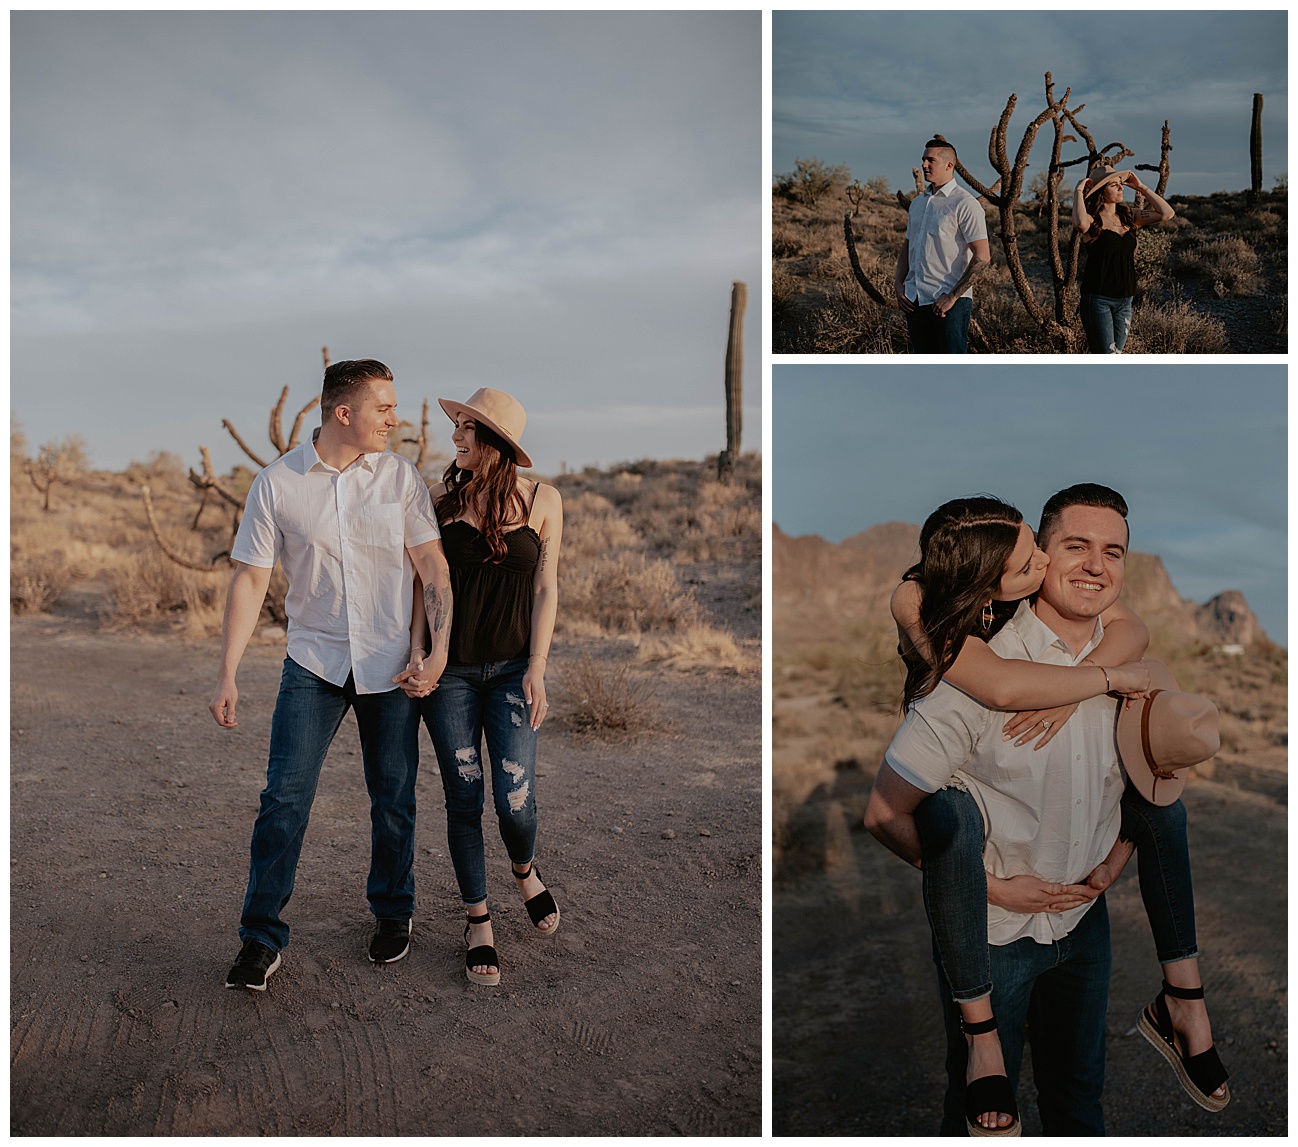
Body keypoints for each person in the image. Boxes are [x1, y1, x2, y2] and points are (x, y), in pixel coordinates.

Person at [865, 486, 1228, 1135]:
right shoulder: (974, 672)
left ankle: (1181, 1001)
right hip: (995, 935)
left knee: (1079, 1101)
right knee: (980, 1121)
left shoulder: (1127, 664)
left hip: (1084, 926)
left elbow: (1144, 783)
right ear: (1037, 558)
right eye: (1074, 546)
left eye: (1112, 551)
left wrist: (1116, 854)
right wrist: (989, 886)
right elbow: (886, 814)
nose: (1095, 565)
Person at [212, 358, 453, 991]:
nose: (394, 419)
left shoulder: (399, 477)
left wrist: (438, 651)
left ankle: (393, 912)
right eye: (384, 408)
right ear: (344, 413)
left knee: (393, 797)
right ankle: (260, 938)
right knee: (283, 799)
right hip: (312, 664)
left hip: (390, 666)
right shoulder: (278, 484)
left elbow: (431, 565)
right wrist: (228, 673)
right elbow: (251, 579)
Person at [400, 387, 562, 986]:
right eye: (459, 425)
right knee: (463, 798)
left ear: (495, 441)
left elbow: (545, 588)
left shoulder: (544, 500)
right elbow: (423, 583)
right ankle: (478, 920)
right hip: (452, 677)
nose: (456, 436)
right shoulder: (439, 500)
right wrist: (418, 651)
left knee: (516, 801)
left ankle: (524, 869)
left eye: (468, 427)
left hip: (514, 672)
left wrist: (538, 666)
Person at [895, 138, 992, 354]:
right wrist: (899, 284)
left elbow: (983, 256)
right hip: (914, 299)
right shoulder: (918, 203)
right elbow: (908, 245)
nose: (924, 165)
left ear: (949, 165)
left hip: (948, 302)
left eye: (931, 160)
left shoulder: (965, 204)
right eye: (923, 159)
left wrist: (952, 297)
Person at [1071, 162, 1176, 353]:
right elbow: (1079, 224)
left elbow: (1167, 214)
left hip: (1125, 300)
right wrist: (1079, 191)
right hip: (1098, 300)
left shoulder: (1130, 216)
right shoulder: (1092, 221)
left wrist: (1141, 187)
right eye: (1114, 185)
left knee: (1116, 355)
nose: (1121, 188)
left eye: (1121, 183)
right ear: (1101, 192)